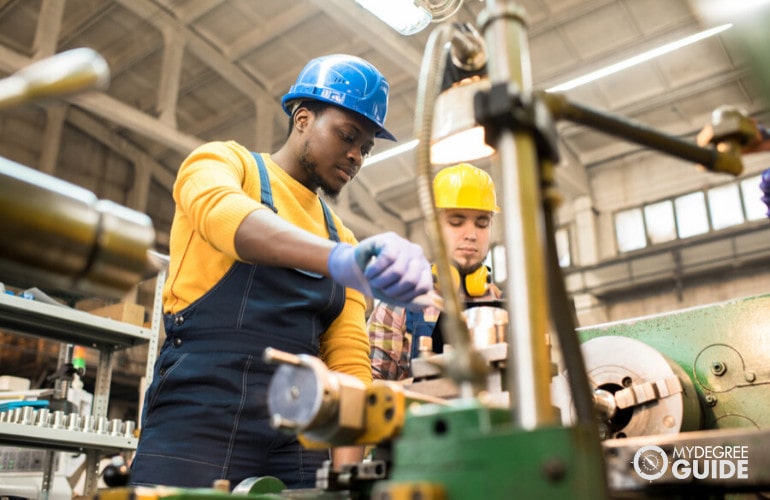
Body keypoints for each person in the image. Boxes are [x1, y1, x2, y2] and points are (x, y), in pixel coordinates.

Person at [129, 54, 433, 490]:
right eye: (348, 136)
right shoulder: (225, 164)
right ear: (303, 118)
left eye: (365, 148)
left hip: (302, 426)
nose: (356, 156)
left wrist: (347, 477)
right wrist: (338, 261)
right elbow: (225, 216)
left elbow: (348, 362)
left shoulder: (341, 234)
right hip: (200, 411)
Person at [368, 163, 502, 381]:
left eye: (482, 223)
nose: (471, 234)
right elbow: (372, 390)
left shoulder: (498, 303)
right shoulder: (397, 304)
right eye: (457, 222)